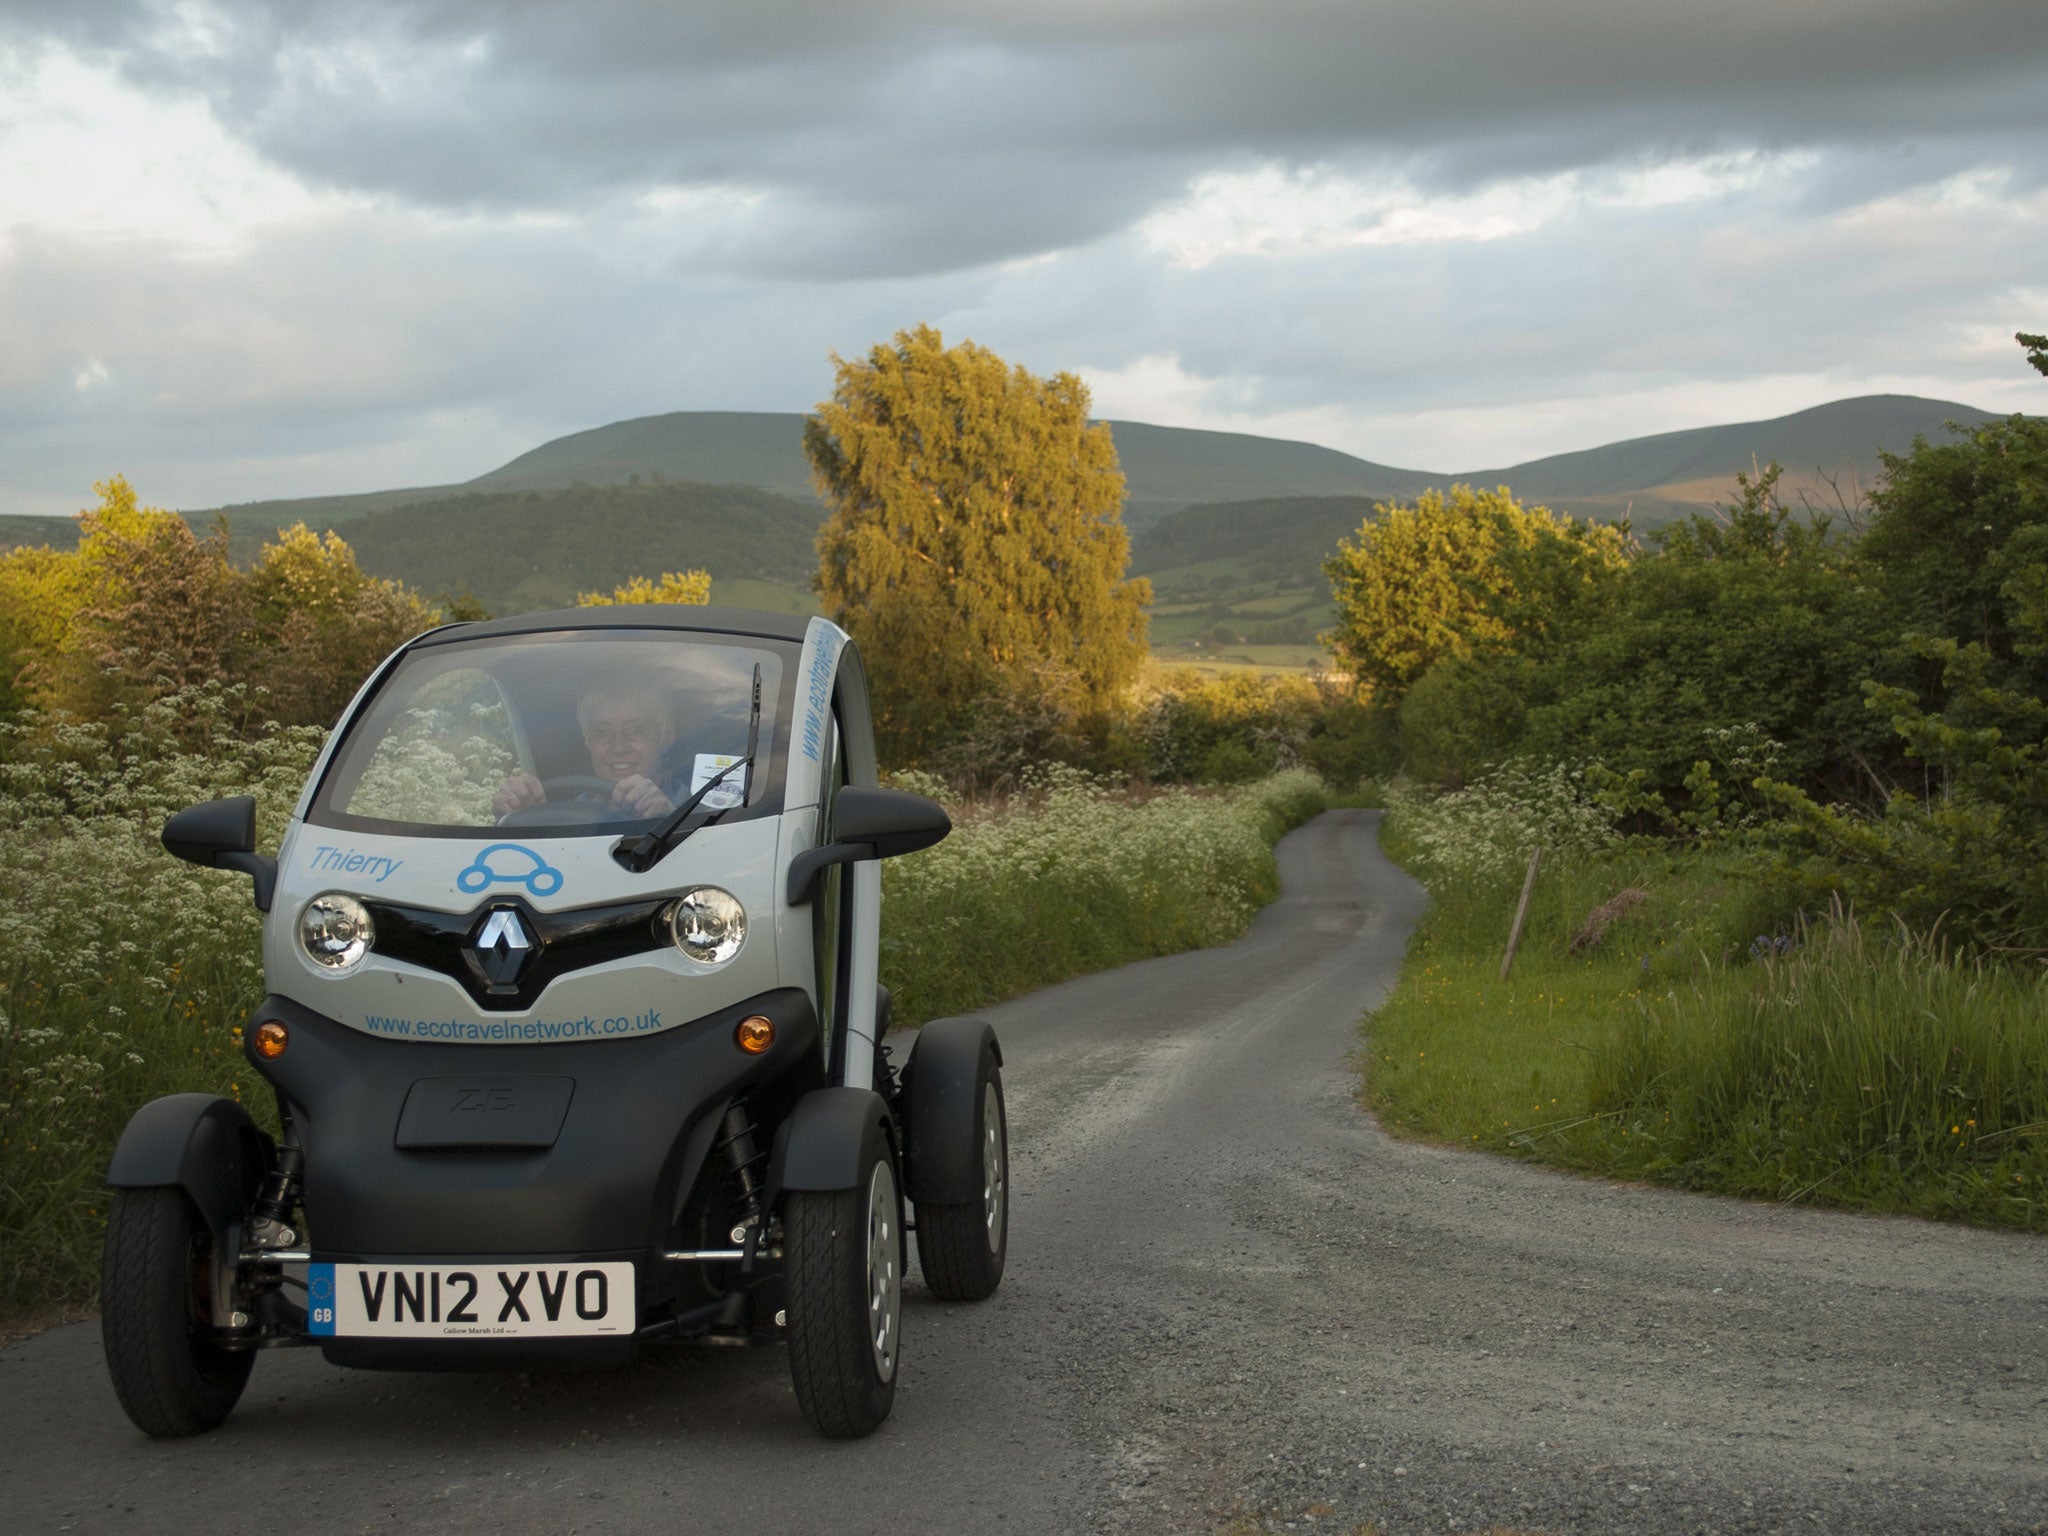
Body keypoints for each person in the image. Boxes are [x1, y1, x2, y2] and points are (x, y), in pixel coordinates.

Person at [491, 681, 679, 819]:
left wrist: (671, 819)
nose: (619, 747)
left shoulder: (700, 809)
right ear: (587, 741)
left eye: (636, 729)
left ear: (666, 738)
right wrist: (516, 815)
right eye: (602, 732)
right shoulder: (569, 813)